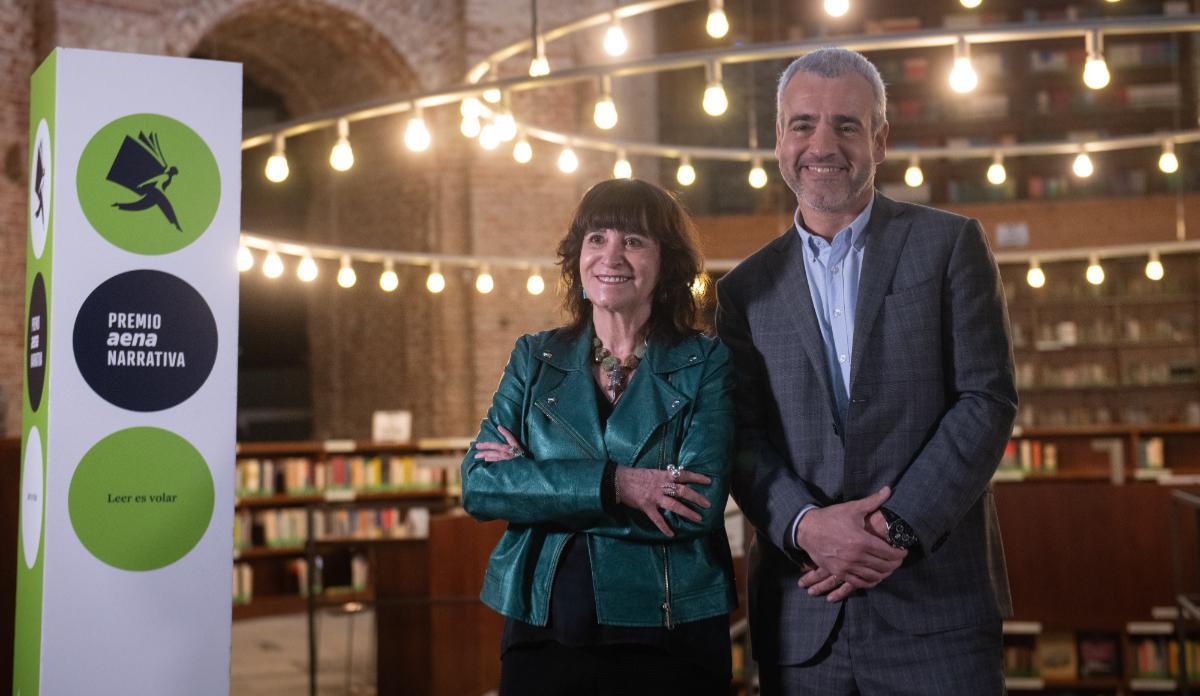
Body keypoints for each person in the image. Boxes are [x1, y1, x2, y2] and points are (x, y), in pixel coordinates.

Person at [715, 47, 1017, 695]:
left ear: (880, 140)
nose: (823, 143)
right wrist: (808, 525)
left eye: (846, 124)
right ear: (778, 138)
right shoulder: (742, 290)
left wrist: (893, 529)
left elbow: (985, 401)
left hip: (936, 611)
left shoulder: (949, 245)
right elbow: (739, 437)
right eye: (803, 124)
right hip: (803, 616)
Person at [462, 178, 738, 695]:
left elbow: (694, 506)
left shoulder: (707, 362)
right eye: (597, 238)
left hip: (670, 629)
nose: (612, 255)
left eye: (633, 241)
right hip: (543, 627)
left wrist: (538, 489)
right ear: (577, 257)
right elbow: (480, 485)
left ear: (666, 262)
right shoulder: (534, 356)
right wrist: (621, 485)